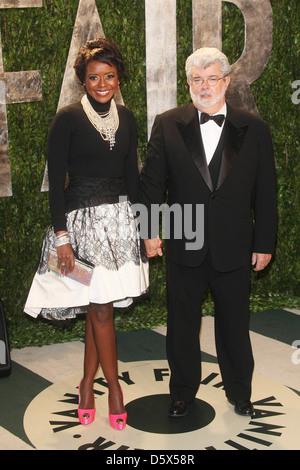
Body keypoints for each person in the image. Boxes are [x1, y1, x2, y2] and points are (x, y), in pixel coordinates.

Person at [139, 47, 277, 418]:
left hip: (235, 245)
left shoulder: (255, 128)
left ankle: (240, 393)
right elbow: (151, 186)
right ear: (188, 84)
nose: (204, 86)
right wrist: (149, 230)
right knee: (182, 326)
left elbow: (266, 191)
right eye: (197, 79)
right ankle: (182, 392)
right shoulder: (167, 123)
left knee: (234, 325)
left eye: (212, 78)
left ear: (227, 82)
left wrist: (264, 242)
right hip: (185, 241)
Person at [24, 38, 149, 429]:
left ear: (118, 78)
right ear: (82, 79)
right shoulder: (66, 119)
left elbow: (133, 177)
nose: (102, 83)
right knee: (99, 309)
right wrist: (62, 238)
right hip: (77, 233)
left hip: (120, 230)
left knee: (102, 307)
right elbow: (57, 183)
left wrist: (146, 229)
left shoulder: (127, 119)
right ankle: (113, 390)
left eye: (109, 76)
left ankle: (85, 385)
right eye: (94, 77)